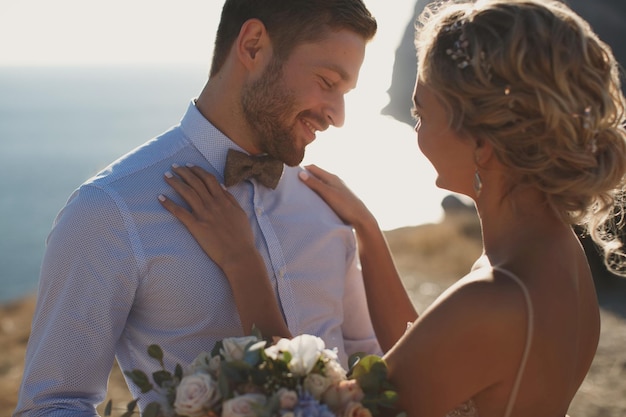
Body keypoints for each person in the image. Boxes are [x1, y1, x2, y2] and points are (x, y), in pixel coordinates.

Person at [157, 0, 626, 416]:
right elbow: (438, 355)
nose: (416, 128)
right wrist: (369, 232)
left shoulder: (494, 296)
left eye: (421, 112)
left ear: (481, 142)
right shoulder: (556, 252)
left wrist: (242, 262)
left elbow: (321, 408)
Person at [14, 1, 381, 415]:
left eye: (344, 92)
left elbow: (368, 363)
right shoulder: (110, 210)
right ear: (254, 46)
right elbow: (53, 404)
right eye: (327, 81)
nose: (338, 115)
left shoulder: (326, 202)